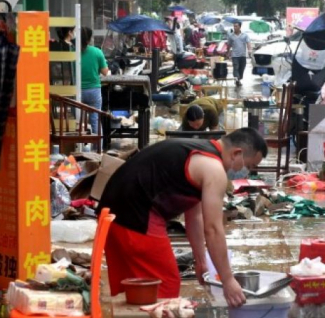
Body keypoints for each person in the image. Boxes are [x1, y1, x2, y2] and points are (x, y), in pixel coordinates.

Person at [98, 128, 268, 308]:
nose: (246, 173)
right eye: (248, 166)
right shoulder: (214, 168)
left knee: (131, 290)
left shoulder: (199, 154)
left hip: (111, 213)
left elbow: (195, 215)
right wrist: (228, 280)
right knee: (165, 287)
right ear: (237, 153)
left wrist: (201, 261)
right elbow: (213, 229)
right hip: (138, 215)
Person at [80, 27, 110, 135]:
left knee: (79, 123)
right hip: (94, 91)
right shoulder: (97, 52)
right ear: (89, 39)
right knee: (95, 120)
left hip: (78, 92)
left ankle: (80, 148)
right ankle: (98, 150)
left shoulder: (72, 52)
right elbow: (105, 72)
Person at [226, 21, 252, 86]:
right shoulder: (231, 36)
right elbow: (229, 45)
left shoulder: (245, 35)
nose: (234, 28)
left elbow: (248, 43)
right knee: (236, 67)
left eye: (236, 26)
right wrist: (227, 52)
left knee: (242, 68)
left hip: (243, 55)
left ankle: (239, 79)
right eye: (234, 26)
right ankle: (237, 79)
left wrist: (249, 50)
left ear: (240, 27)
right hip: (235, 55)